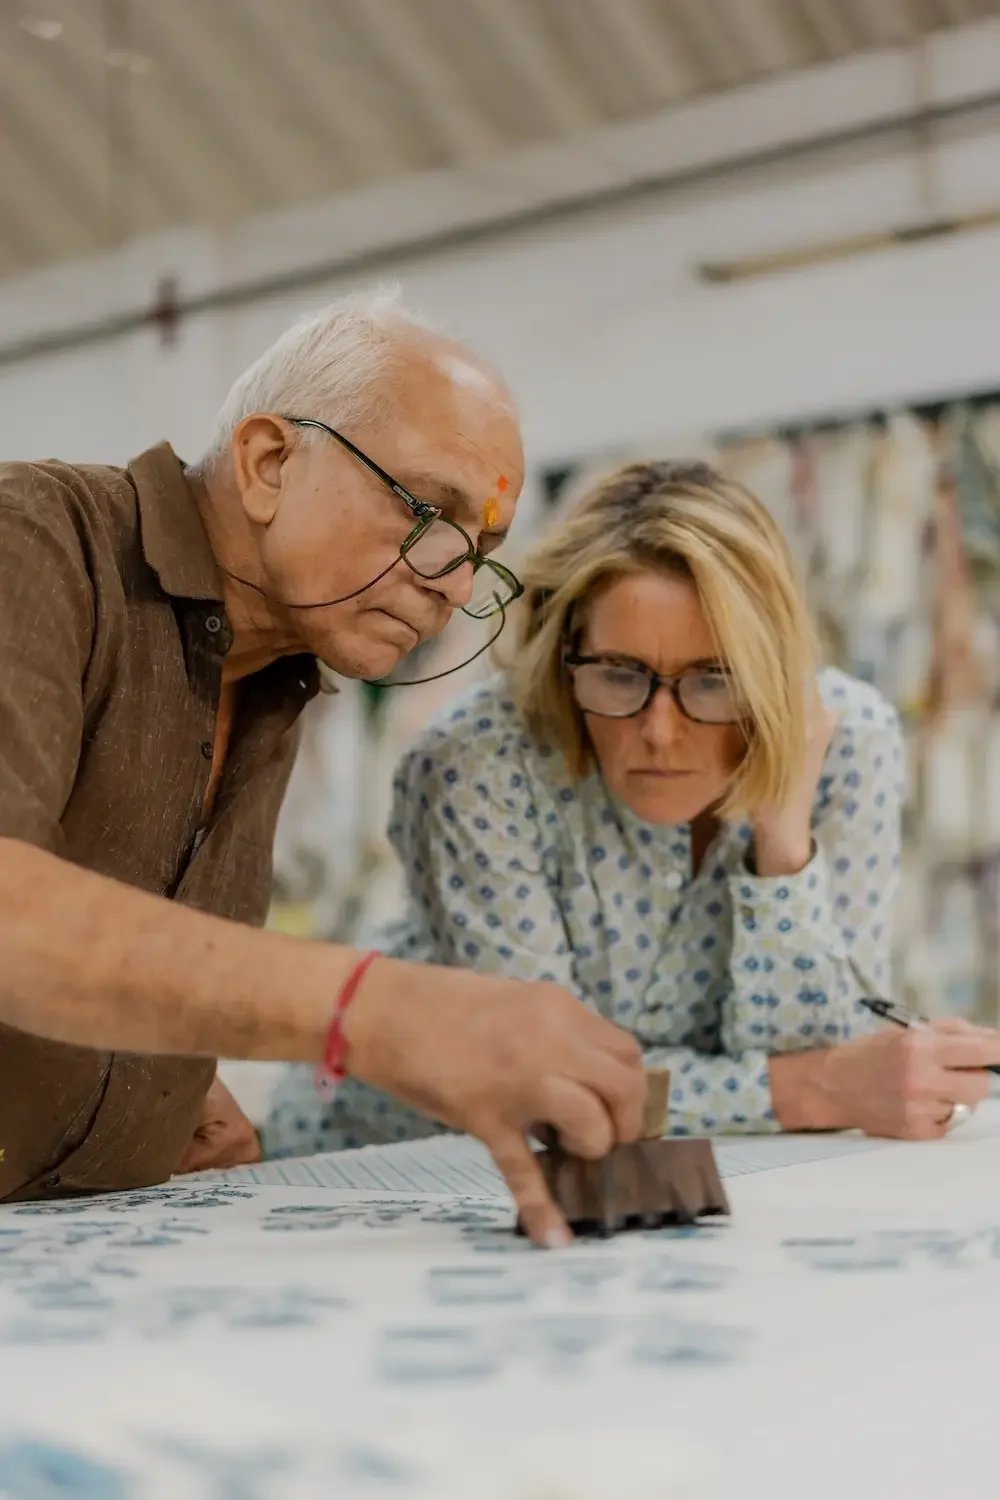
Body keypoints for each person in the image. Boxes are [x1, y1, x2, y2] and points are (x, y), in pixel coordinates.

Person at [0, 290, 647, 1246]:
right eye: (430, 512)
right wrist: (372, 1008)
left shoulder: (275, 670)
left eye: (482, 552)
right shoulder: (32, 543)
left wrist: (135, 1081)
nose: (456, 583)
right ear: (269, 464)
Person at [265, 457, 1000, 1155]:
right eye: (621, 674)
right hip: (398, 1161)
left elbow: (826, 1052)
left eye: (713, 678)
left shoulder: (845, 741)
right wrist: (810, 1090)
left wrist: (782, 834)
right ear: (565, 654)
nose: (659, 729)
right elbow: (547, 1096)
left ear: (768, 668)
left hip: (701, 1173)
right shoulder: (475, 763)